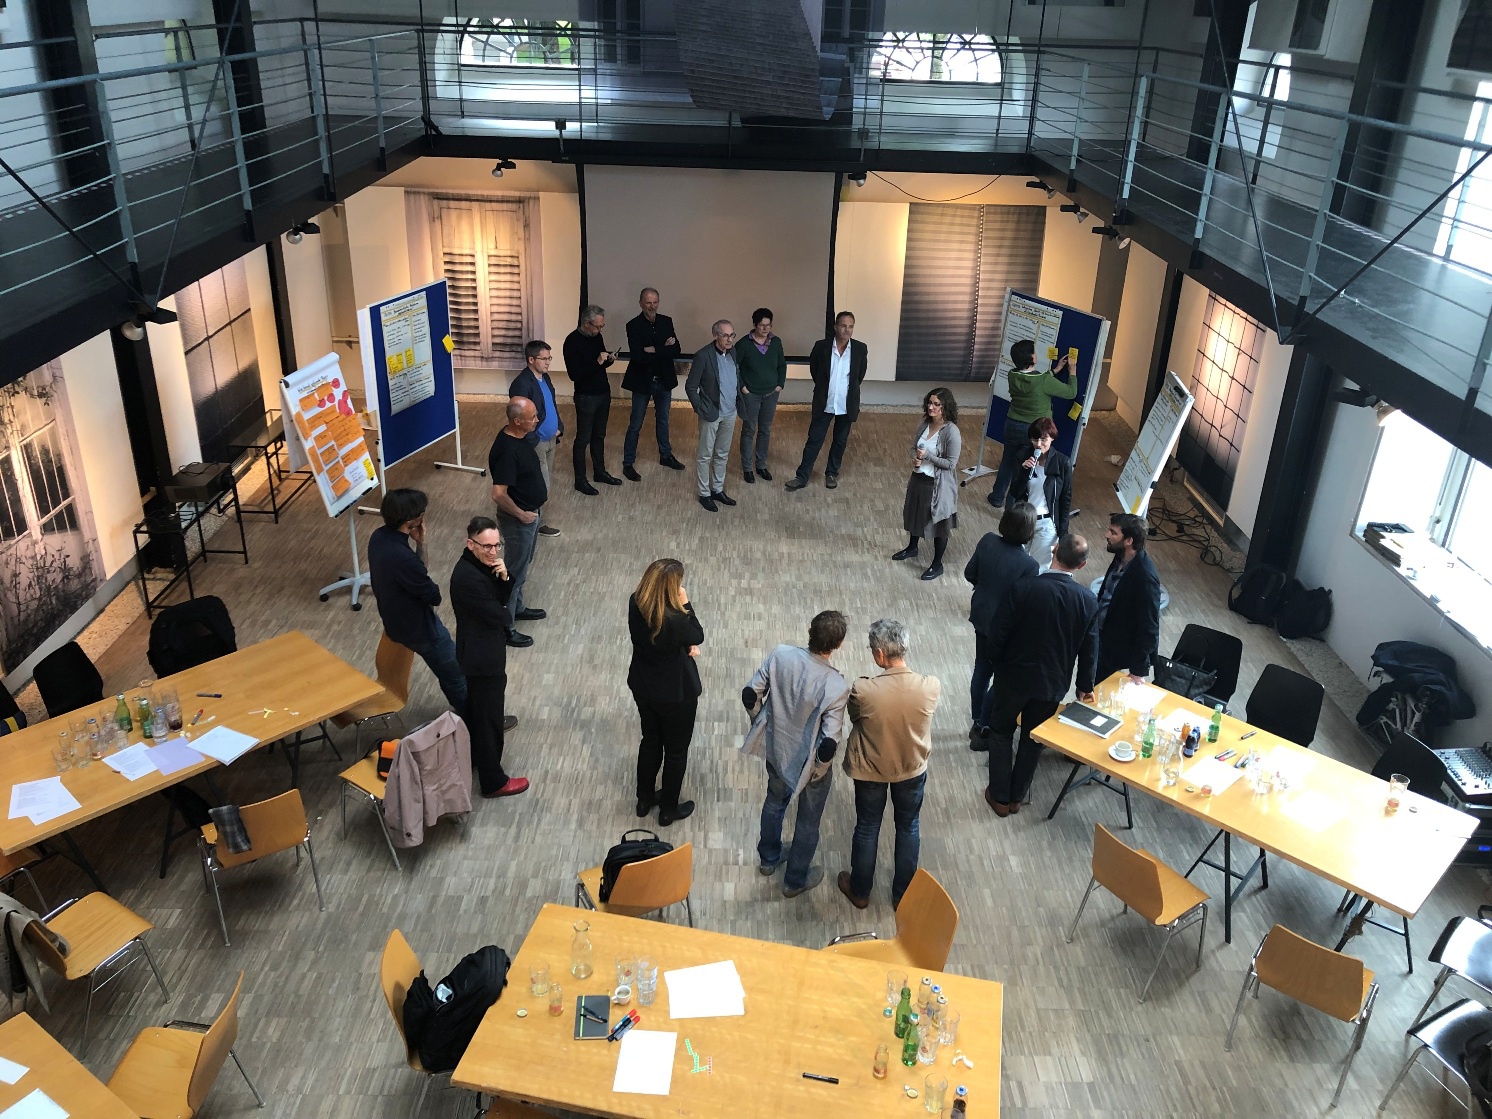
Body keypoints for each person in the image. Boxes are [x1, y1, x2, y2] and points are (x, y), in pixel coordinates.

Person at [982, 532, 1099, 817]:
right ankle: (1016, 797)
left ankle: (999, 796)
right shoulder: (1088, 600)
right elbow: (1090, 648)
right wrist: (1084, 685)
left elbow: (999, 632)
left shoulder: (1024, 588)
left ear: (1054, 550)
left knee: (1001, 731)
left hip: (1013, 677)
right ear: (1082, 565)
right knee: (1033, 739)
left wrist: (996, 663)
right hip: (1053, 683)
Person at [742, 611, 850, 898]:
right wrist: (820, 769)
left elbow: (751, 694)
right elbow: (829, 741)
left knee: (774, 802)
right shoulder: (836, 685)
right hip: (808, 764)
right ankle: (794, 881)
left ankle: (768, 860)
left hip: (777, 748)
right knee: (807, 822)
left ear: (810, 631)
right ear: (838, 644)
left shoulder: (780, 655)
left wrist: (760, 721)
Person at [838, 619, 941, 911]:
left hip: (871, 768)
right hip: (911, 768)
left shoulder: (864, 690)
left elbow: (855, 718)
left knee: (867, 826)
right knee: (908, 826)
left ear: (880, 654)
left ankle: (860, 891)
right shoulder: (930, 686)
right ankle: (902, 896)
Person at [367, 488, 466, 713]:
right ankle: (476, 721)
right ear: (411, 521)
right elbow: (434, 595)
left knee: (452, 674)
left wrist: (421, 542)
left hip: (395, 623)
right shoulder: (403, 559)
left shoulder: (378, 537)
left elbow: (418, 573)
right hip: (420, 629)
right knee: (456, 675)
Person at [449, 516, 528, 799]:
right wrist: (503, 605)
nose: (493, 552)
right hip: (482, 658)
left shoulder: (481, 566)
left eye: (497, 546)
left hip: (482, 651)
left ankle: (477, 756)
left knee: (480, 713)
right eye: (487, 547)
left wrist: (504, 578)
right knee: (489, 720)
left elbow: (500, 599)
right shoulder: (468, 578)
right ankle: (493, 780)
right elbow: (502, 615)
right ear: (470, 544)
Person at [627, 558, 705, 826]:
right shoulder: (675, 619)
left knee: (650, 740)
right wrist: (685, 602)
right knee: (675, 751)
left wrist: (682, 645)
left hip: (643, 684)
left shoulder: (636, 602)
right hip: (675, 693)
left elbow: (662, 639)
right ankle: (668, 809)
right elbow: (697, 634)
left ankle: (644, 799)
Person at [964, 502, 1039, 750]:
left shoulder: (987, 540)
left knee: (981, 669)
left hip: (981, 615)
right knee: (1002, 677)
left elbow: (969, 573)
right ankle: (985, 725)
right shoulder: (1029, 565)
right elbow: (1026, 602)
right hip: (1006, 628)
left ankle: (977, 720)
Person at [487, 397, 548, 648]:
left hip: (530, 514)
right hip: (519, 520)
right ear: (517, 421)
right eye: (532, 417)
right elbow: (498, 494)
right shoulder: (507, 450)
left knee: (523, 566)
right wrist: (522, 515)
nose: (537, 420)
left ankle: (518, 608)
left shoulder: (519, 438)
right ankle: (506, 627)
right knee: (512, 574)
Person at [989, 340, 1076, 509]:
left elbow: (1034, 379)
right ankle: (1011, 508)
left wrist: (1054, 371)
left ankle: (996, 497)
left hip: (1011, 425)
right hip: (1033, 432)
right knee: (1024, 469)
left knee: (1007, 462)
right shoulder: (1043, 381)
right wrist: (1072, 372)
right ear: (1032, 357)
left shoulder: (1013, 374)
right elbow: (1071, 392)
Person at [788, 311, 867, 491]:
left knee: (840, 441)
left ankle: (831, 473)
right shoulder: (821, 346)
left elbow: (859, 376)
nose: (847, 330)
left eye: (851, 326)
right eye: (843, 326)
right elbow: (815, 371)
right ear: (836, 327)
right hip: (825, 402)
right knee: (814, 440)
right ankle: (802, 476)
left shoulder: (860, 349)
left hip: (846, 404)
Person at [892, 387, 962, 581]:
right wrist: (915, 457)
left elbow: (951, 464)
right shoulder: (924, 423)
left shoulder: (951, 432)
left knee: (939, 524)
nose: (931, 407)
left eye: (936, 404)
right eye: (930, 403)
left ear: (945, 406)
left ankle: (937, 564)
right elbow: (913, 448)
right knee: (915, 513)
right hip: (919, 478)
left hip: (937, 485)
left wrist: (928, 456)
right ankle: (912, 547)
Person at [1088, 512, 1162, 692]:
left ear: (1129, 541)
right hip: (1101, 637)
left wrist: (1138, 669)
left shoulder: (1145, 576)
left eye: (1113, 533)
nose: (1107, 535)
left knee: (1099, 692)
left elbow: (1149, 625)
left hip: (1115, 647)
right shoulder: (1120, 557)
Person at [621, 288, 686, 479]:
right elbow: (638, 356)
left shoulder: (666, 321)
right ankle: (628, 462)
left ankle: (666, 455)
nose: (652, 306)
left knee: (663, 420)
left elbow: (676, 349)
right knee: (635, 423)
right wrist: (663, 348)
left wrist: (654, 349)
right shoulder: (633, 325)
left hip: (664, 380)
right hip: (642, 380)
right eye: (648, 302)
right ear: (641, 303)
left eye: (655, 302)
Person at [562, 304, 621, 495]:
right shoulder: (571, 342)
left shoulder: (597, 337)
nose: (600, 330)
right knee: (583, 438)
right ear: (586, 323)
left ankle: (599, 472)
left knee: (599, 435)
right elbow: (575, 374)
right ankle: (580, 480)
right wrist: (597, 362)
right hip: (586, 396)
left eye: (602, 326)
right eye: (598, 326)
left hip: (603, 393)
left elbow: (600, 365)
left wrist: (609, 359)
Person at [507, 340, 563, 538]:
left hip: (551, 439)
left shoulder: (545, 378)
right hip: (536, 442)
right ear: (531, 360)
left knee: (543, 484)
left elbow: (551, 404)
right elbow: (518, 418)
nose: (548, 362)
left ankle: (536, 521)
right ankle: (532, 523)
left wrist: (559, 427)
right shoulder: (521, 384)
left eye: (549, 358)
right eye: (544, 358)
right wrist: (533, 439)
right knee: (540, 485)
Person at [684, 320, 739, 513]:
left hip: (730, 412)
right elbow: (690, 387)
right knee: (705, 455)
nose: (729, 339)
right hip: (711, 413)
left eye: (732, 335)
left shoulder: (733, 352)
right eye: (725, 335)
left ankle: (717, 489)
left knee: (722, 453)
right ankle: (704, 493)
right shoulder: (703, 355)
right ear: (716, 335)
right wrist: (701, 408)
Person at [1008, 416, 1072, 570]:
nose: (1038, 444)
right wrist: (1024, 472)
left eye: (1043, 439)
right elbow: (1015, 492)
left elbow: (1066, 498)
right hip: (1025, 519)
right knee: (1016, 562)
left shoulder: (1062, 462)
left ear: (1052, 439)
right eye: (1034, 439)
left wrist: (1063, 534)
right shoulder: (1022, 456)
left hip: (1046, 523)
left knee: (1040, 567)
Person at [733, 308, 786, 483]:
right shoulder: (744, 344)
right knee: (749, 430)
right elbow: (734, 367)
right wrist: (742, 387)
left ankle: (761, 465)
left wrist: (780, 384)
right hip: (751, 394)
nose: (765, 329)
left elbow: (782, 364)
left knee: (765, 429)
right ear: (754, 325)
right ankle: (747, 468)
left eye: (768, 325)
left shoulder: (776, 342)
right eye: (762, 325)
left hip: (771, 393)